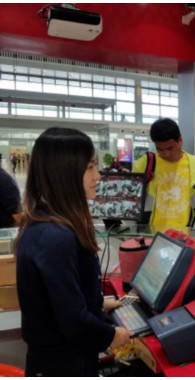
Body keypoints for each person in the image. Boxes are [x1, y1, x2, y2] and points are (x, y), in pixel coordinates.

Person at [15, 127, 131, 376]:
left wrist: (98, 304)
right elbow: (73, 322)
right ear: (65, 172)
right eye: (90, 167)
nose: (98, 176)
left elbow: (59, 298)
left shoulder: (46, 223)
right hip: (64, 363)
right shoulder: (55, 236)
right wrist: (113, 334)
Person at [133, 118, 195, 230]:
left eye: (170, 148)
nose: (165, 154)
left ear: (180, 140)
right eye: (160, 149)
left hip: (184, 236)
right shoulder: (145, 163)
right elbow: (132, 201)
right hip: (151, 235)